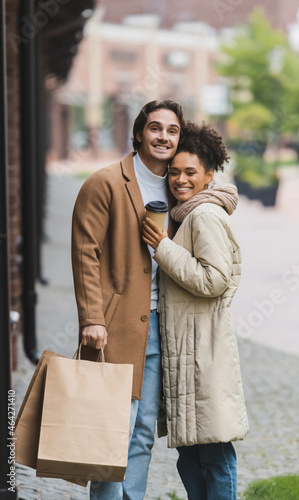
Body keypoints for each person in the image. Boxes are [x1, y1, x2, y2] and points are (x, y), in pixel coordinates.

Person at [71, 99, 185, 500]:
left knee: (141, 434)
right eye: (155, 128)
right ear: (139, 133)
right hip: (115, 325)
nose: (163, 137)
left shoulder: (179, 187)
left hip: (160, 325)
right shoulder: (103, 183)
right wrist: (92, 318)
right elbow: (85, 251)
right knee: (111, 431)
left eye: (172, 131)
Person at [142, 121, 249, 500]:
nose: (180, 179)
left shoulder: (204, 216)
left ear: (208, 175)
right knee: (191, 456)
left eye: (190, 172)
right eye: (174, 171)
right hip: (187, 351)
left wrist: (163, 248)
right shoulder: (185, 213)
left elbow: (214, 279)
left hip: (204, 351)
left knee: (214, 454)